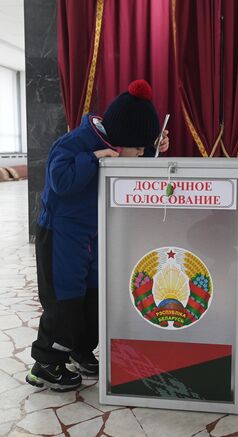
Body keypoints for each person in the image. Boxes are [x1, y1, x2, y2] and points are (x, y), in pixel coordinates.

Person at [27, 79, 169, 392]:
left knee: (92, 297)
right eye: (138, 148)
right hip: (61, 234)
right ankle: (46, 364)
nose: (140, 153)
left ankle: (79, 351)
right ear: (119, 142)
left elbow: (132, 164)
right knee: (65, 299)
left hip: (92, 234)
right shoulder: (74, 143)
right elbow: (60, 180)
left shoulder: (121, 146)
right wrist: (94, 158)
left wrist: (154, 150)